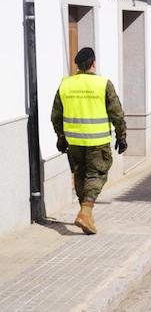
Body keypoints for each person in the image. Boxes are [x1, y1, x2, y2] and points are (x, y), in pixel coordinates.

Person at [51, 47, 127, 235]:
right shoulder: (103, 84)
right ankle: (85, 213)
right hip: (97, 140)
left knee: (80, 175)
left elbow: (56, 115)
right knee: (96, 175)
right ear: (93, 63)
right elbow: (116, 113)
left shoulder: (65, 84)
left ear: (77, 66)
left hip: (74, 141)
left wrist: (60, 136)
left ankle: (87, 217)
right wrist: (121, 136)